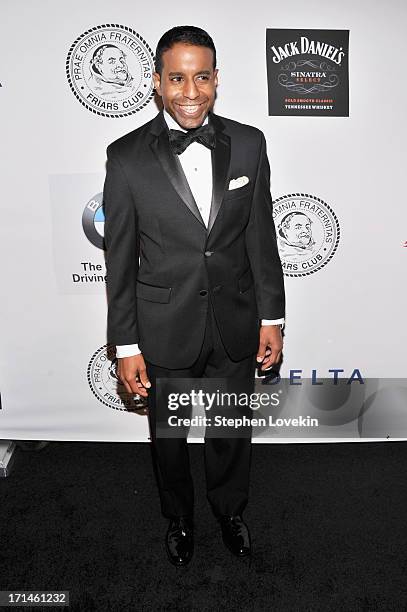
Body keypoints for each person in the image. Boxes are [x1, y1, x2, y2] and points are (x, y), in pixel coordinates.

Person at [103, 25, 285, 567]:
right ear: (156, 82)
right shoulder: (126, 156)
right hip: (164, 324)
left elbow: (261, 237)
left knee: (231, 430)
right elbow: (119, 261)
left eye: (201, 77)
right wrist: (125, 344)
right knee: (169, 437)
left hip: (235, 319)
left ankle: (230, 511)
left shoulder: (249, 143)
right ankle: (179, 519)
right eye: (176, 78)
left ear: (216, 80)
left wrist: (271, 316)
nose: (190, 91)